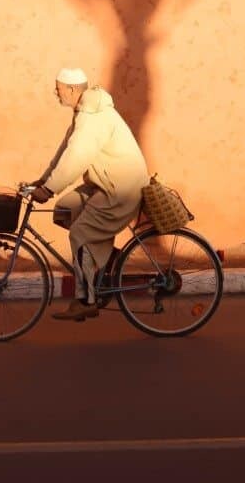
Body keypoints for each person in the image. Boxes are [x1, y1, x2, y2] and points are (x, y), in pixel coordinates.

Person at [31, 67, 148, 322]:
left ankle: (86, 300)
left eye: (58, 89)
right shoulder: (83, 112)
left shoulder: (93, 117)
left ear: (72, 90)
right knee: (64, 211)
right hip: (105, 184)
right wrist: (44, 180)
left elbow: (76, 158)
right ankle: (105, 263)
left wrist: (49, 188)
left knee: (80, 234)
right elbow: (66, 150)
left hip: (120, 189)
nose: (56, 93)